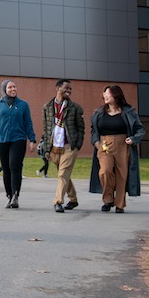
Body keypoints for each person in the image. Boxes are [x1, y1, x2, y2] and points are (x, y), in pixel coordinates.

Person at [88, 85, 143, 213]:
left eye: (108, 94)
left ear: (116, 96)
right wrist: (96, 141)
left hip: (123, 144)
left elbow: (140, 129)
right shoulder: (99, 113)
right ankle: (108, 199)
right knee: (105, 171)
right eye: (105, 94)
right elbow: (93, 129)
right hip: (104, 144)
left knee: (122, 175)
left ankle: (119, 204)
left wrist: (133, 139)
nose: (105, 96)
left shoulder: (128, 112)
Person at [0, 79, 36, 209]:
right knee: (6, 168)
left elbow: (28, 123)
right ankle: (8, 196)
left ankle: (15, 195)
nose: (13, 89)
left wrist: (32, 139)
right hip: (1, 141)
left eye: (14, 87)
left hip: (18, 140)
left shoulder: (23, 105)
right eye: (10, 87)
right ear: (4, 90)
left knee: (15, 166)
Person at [39, 79, 85, 213]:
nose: (69, 91)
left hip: (69, 146)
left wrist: (77, 145)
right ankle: (73, 199)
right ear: (58, 88)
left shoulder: (75, 108)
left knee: (63, 174)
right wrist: (47, 148)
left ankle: (58, 201)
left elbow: (81, 128)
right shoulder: (47, 107)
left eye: (70, 89)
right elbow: (46, 128)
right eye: (66, 88)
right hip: (54, 147)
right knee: (63, 175)